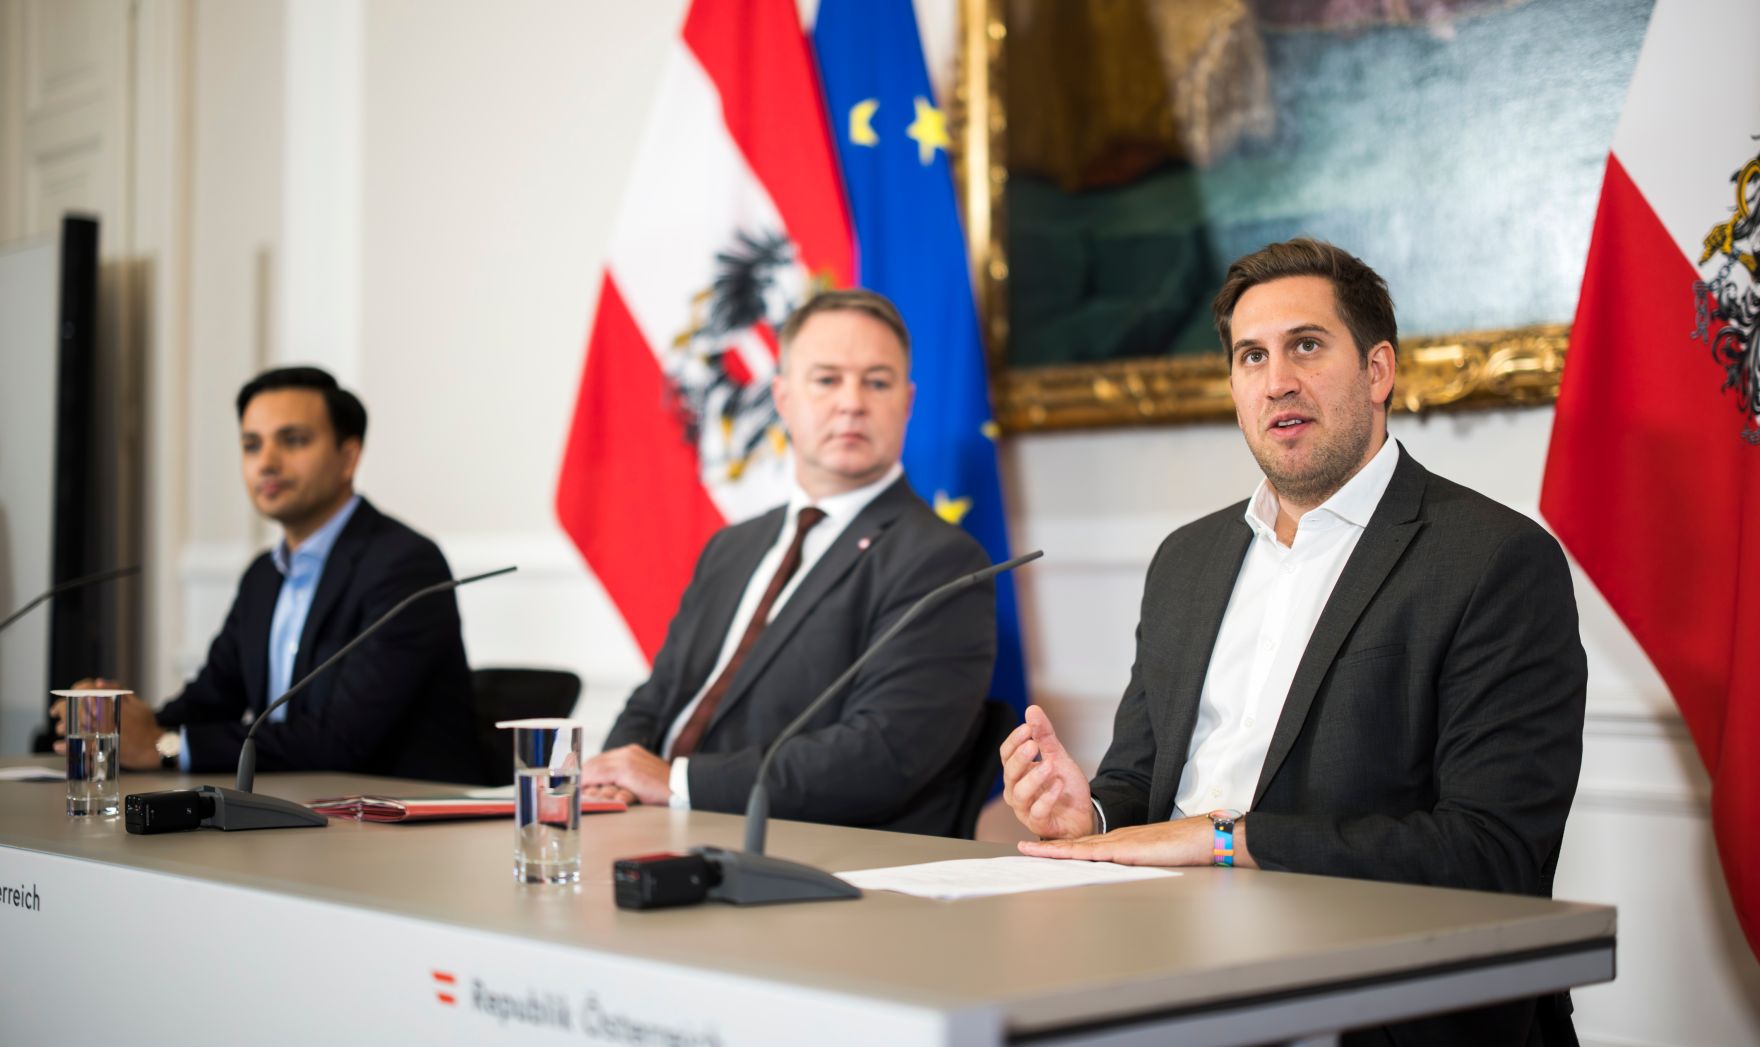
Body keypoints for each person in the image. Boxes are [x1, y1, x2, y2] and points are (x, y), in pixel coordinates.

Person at [1000, 239, 1586, 1046]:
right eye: (1251, 355)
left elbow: (1494, 852)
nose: (1277, 379)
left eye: (1306, 345)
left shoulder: (1493, 560)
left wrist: (1222, 840)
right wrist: (1089, 816)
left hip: (1369, 1001)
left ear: (1378, 372)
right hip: (1156, 970)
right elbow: (1143, 779)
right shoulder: (1186, 560)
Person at [586, 289, 996, 836]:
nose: (851, 402)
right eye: (826, 380)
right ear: (782, 398)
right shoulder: (732, 548)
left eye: (877, 382)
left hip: (801, 850)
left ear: (907, 402)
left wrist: (677, 783)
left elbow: (883, 753)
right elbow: (659, 697)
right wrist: (612, 777)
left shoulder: (942, 562)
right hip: (647, 828)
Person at [53, 366, 484, 784]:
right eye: (251, 445)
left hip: (396, 826)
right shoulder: (264, 575)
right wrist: (121, 723)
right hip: (293, 812)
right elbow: (211, 699)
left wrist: (164, 745)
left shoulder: (405, 565)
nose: (268, 462)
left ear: (348, 457)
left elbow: (342, 740)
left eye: (293, 441)